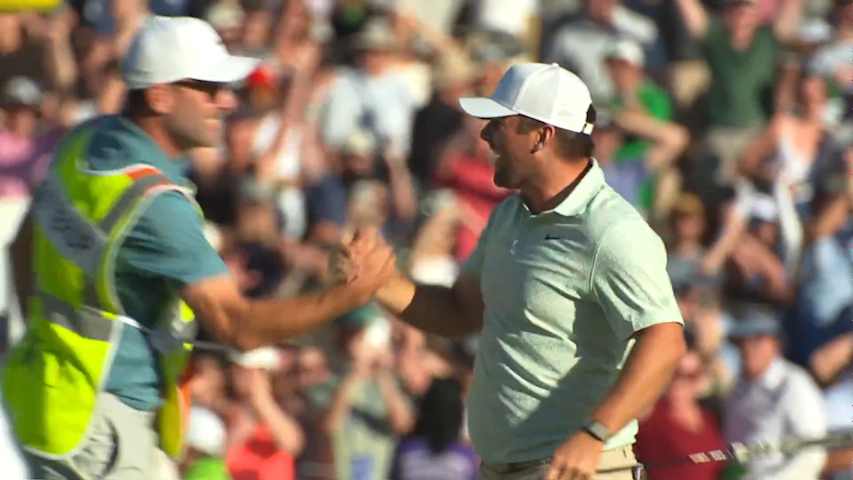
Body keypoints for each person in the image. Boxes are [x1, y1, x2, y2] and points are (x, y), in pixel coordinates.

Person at [2, 15, 395, 480]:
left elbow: (21, 248)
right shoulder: (155, 203)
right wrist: (346, 297)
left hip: (41, 393)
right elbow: (236, 325)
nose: (226, 102)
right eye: (209, 88)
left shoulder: (86, 140)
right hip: (99, 427)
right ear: (159, 96)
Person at [334, 63, 686, 480]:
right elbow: (460, 311)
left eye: (499, 124)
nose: (484, 136)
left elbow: (665, 341)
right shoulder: (509, 215)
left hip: (579, 471)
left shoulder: (611, 231)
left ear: (541, 135)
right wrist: (379, 284)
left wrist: (594, 434)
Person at [724, 303, 827, 480]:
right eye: (741, 341)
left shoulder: (794, 384)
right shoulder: (738, 389)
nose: (748, 347)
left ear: (776, 343)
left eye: (757, 339)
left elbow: (812, 453)